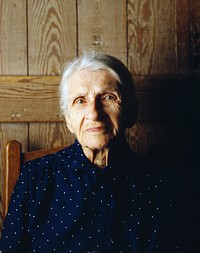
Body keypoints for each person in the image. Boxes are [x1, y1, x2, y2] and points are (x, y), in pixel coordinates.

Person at [0, 51, 179, 253]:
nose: (94, 113)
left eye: (108, 97)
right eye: (80, 101)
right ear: (68, 119)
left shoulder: (160, 183)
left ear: (131, 111)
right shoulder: (35, 179)